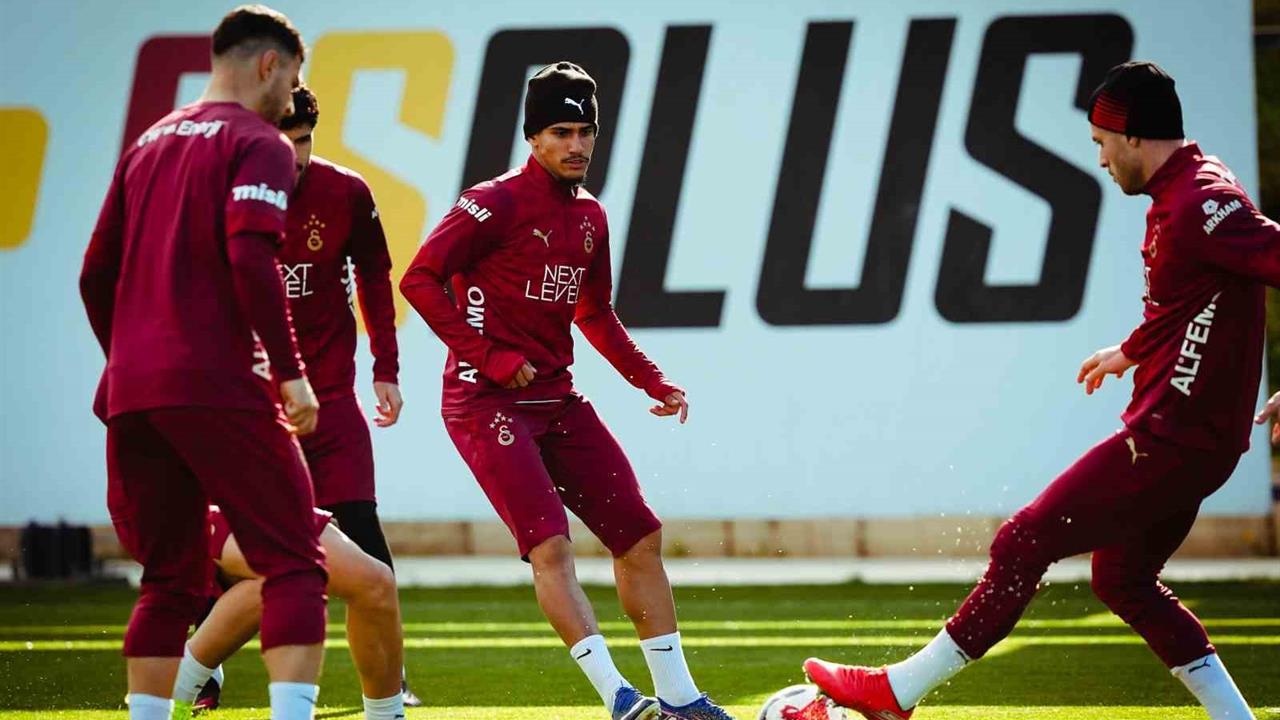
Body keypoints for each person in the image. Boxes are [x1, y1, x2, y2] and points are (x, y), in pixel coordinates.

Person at [801, 61, 1268, 720]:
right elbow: (1198, 297)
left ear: (1133, 134)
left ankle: (896, 692)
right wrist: (1131, 351)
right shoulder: (1194, 187)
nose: (1100, 159)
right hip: (1191, 440)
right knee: (1123, 579)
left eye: (1102, 142)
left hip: (1173, 441)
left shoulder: (1200, 206)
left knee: (1023, 540)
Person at [399, 62, 734, 720]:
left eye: (586, 133)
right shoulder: (491, 203)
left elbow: (595, 313)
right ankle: (618, 695)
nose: (576, 145)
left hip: (556, 399)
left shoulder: (590, 216)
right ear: (533, 137)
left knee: (639, 537)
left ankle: (679, 699)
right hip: (484, 402)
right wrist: (488, 357)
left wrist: (650, 379)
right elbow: (419, 279)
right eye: (560, 132)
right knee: (551, 546)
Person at [78, 6, 328, 720]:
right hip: (216, 381)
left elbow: (94, 275)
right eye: (292, 81)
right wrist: (291, 373)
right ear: (269, 65)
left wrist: (132, 360)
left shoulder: (147, 143)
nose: (290, 98)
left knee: (168, 582)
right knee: (294, 564)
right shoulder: (260, 142)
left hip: (132, 392)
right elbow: (250, 256)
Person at [189, 82, 421, 713]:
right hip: (252, 410)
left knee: (363, 536)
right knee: (233, 555)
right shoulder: (222, 197)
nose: (293, 154)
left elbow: (376, 276)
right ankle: (202, 670)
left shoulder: (345, 192)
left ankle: (391, 679)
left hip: (332, 400)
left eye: (304, 140)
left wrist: (386, 368)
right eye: (282, 140)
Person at [175, 507, 405, 720]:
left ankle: (176, 690)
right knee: (353, 582)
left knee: (275, 584)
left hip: (271, 497)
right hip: (223, 499)